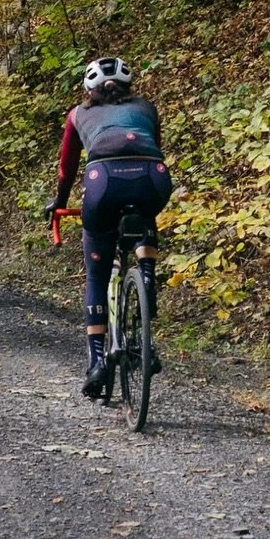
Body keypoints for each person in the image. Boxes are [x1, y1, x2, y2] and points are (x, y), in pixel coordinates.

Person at [48, 56, 172, 399]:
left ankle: (97, 362)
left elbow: (66, 167)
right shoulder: (146, 107)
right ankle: (146, 274)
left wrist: (58, 201)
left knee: (98, 276)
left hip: (103, 181)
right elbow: (152, 148)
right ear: (129, 87)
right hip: (153, 177)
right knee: (145, 213)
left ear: (89, 89)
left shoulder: (78, 114)